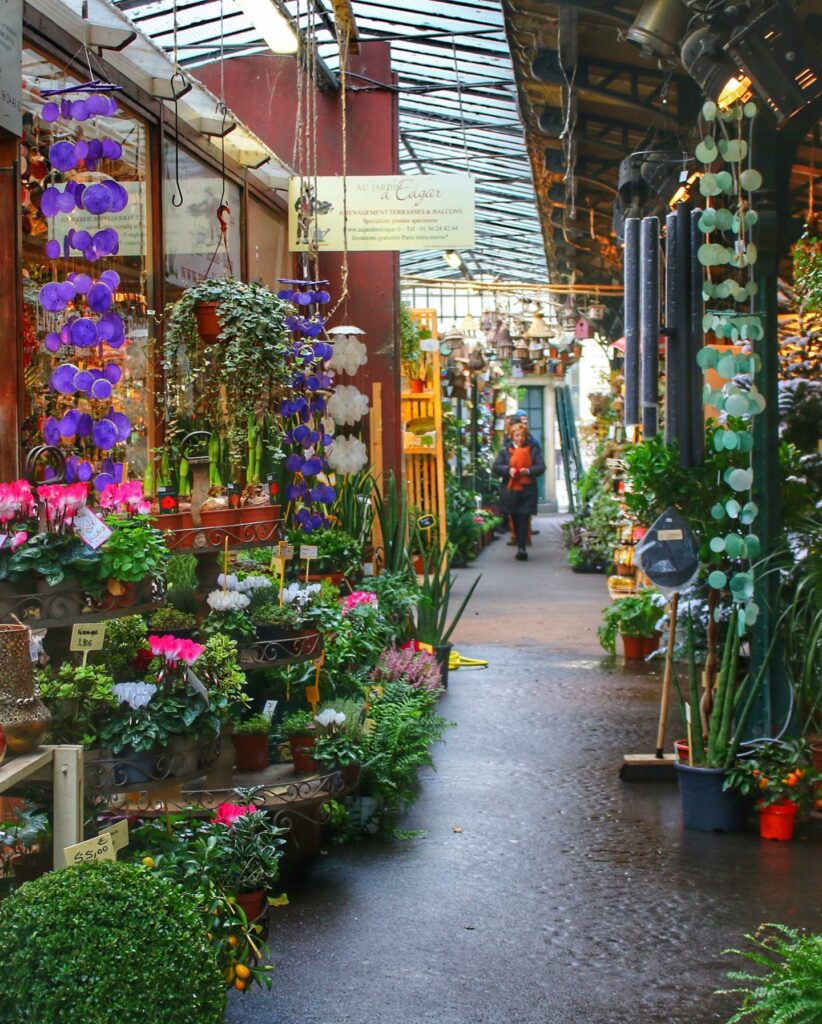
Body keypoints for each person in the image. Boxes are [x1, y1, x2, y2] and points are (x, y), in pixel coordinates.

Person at [493, 423, 546, 561]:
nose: (520, 438)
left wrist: (528, 471)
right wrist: (508, 470)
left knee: (524, 517)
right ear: (512, 436)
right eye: (517, 435)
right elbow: (496, 467)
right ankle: (518, 541)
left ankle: (522, 547)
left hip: (527, 489)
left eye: (522, 435)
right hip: (511, 490)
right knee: (515, 517)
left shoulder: (533, 449)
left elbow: (541, 466)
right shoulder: (505, 450)